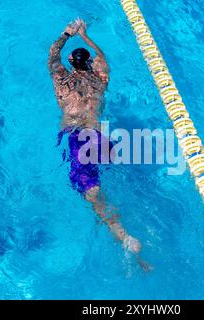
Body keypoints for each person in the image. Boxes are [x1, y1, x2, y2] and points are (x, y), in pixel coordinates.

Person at [48, 19, 142, 255]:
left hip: (79, 138)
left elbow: (52, 55)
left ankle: (123, 237)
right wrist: (84, 35)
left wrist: (67, 33)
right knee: (108, 178)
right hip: (101, 138)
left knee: (93, 195)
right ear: (89, 63)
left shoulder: (61, 80)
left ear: (71, 62)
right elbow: (102, 56)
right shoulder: (100, 79)